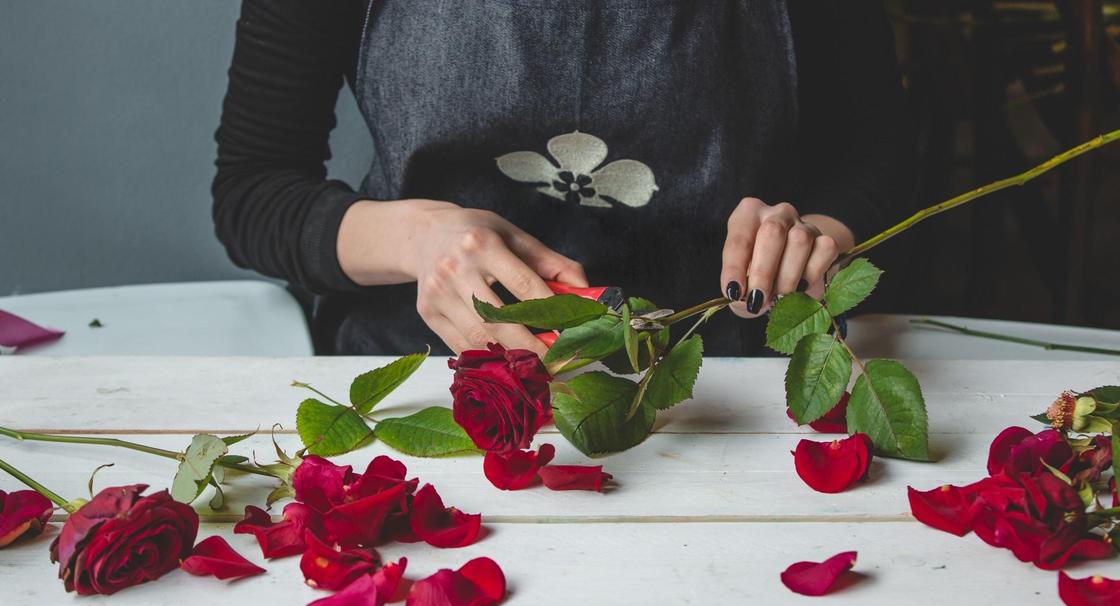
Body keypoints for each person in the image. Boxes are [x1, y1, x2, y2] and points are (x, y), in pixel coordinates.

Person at [213, 0, 914, 357]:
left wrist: (814, 236)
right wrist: (417, 237)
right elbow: (253, 189)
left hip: (724, 388)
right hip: (423, 381)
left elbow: (877, 149)